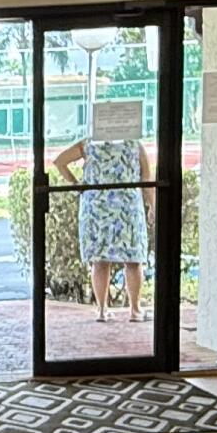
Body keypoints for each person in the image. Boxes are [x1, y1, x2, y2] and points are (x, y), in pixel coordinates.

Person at [50, 122, 155, 319]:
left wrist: (76, 184)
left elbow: (59, 162)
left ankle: (101, 309)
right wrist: (153, 206)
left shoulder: (88, 144)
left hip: (96, 207)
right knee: (133, 259)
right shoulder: (135, 145)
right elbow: (147, 179)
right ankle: (135, 309)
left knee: (99, 260)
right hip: (127, 206)